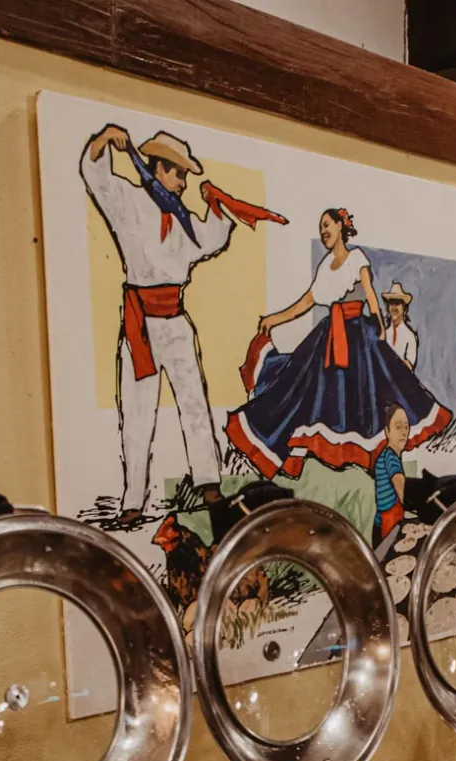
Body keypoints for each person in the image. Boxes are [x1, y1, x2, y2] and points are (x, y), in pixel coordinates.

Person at [81, 124, 284, 529]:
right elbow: (96, 177)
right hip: (140, 325)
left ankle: (208, 483)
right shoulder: (128, 200)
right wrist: (102, 140)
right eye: (177, 173)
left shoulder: (181, 218)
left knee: (194, 403)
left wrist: (216, 206)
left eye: (185, 176)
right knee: (137, 411)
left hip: (175, 322)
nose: (182, 182)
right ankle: (133, 500)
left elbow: (209, 240)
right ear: (158, 168)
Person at [227, 208, 451, 484]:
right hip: (330, 335)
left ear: (340, 227)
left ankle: (372, 464)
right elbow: (306, 301)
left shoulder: (357, 258)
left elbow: (369, 292)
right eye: (320, 228)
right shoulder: (325, 266)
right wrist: (275, 319)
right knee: (305, 388)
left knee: (367, 396)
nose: (323, 231)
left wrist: (378, 325)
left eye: (327, 225)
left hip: (358, 335)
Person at [372, 404, 408, 544]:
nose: (404, 432)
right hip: (387, 529)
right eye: (398, 427)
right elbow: (403, 493)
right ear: (387, 431)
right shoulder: (390, 457)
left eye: (406, 427)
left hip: (386, 525)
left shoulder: (387, 454)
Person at [380, 282, 418, 368]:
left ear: (404, 308)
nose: (394, 307)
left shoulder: (410, 336)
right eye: (391, 303)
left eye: (397, 303)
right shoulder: (384, 334)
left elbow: (409, 367)